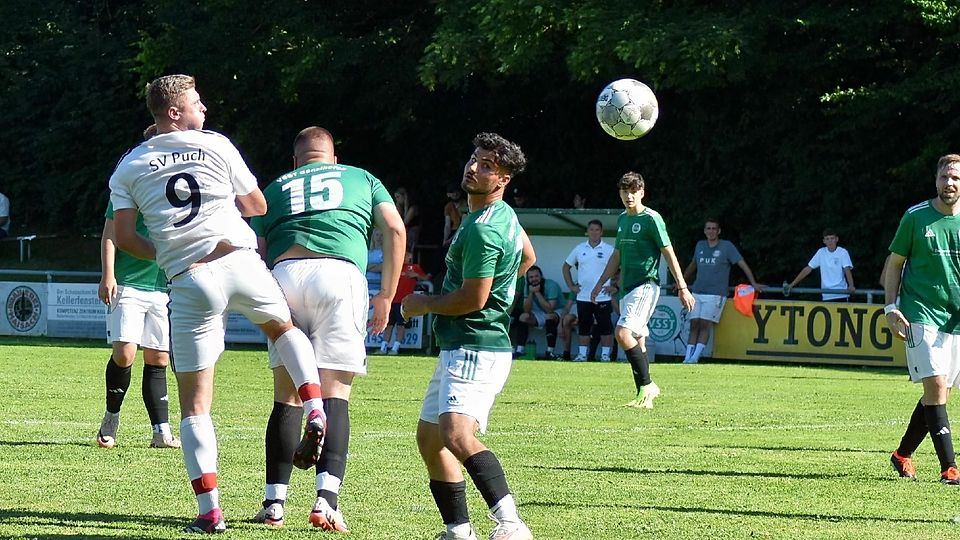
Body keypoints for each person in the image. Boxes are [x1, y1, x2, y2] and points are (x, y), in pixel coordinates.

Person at [108, 74, 327, 534]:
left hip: (189, 280)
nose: (204, 109)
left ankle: (210, 511)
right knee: (284, 329)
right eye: (196, 102)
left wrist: (168, 255)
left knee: (194, 407)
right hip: (239, 259)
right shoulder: (217, 145)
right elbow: (258, 205)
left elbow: (125, 236)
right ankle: (314, 404)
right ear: (173, 112)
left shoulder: (129, 166)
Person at [249, 126, 405, 531]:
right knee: (336, 392)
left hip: (283, 275)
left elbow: (259, 251)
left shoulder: (275, 187)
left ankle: (273, 504)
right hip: (339, 274)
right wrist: (386, 294)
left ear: (295, 161)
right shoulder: (360, 177)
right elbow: (395, 229)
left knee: (287, 395)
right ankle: (326, 501)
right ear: (332, 159)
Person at [401, 132, 536, 540]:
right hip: (463, 344)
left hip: (475, 343)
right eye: (474, 159)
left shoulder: (482, 230)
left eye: (487, 165)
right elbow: (527, 256)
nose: (474, 168)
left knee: (457, 434)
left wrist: (422, 304)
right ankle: (458, 530)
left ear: (503, 179)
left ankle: (512, 525)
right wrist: (503, 294)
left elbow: (473, 299)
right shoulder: (497, 216)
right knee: (430, 438)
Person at [591, 172, 695, 409]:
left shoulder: (651, 219)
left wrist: (682, 287)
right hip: (627, 288)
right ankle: (644, 395)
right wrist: (600, 283)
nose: (629, 196)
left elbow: (669, 253)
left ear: (642, 193)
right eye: (624, 191)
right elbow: (616, 256)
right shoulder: (622, 220)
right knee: (638, 340)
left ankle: (648, 385)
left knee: (622, 333)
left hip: (646, 285)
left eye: (633, 191)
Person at [886, 154, 960, 485]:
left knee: (937, 392)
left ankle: (902, 455)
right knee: (937, 383)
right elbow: (895, 262)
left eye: (956, 178)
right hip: (921, 312)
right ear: (935, 180)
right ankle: (950, 468)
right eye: (945, 177)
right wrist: (890, 308)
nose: (950, 183)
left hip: (955, 318)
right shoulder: (916, 217)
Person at [96, 169, 180, 449]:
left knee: (158, 358)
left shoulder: (177, 188)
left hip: (161, 285)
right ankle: (111, 417)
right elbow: (110, 234)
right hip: (128, 283)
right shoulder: (129, 183)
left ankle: (161, 432)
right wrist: (108, 274)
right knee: (125, 353)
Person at [680, 219, 763, 364]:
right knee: (694, 324)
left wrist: (753, 283)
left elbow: (741, 264)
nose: (711, 231)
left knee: (705, 324)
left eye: (714, 229)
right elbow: (693, 265)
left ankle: (695, 357)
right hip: (698, 291)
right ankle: (687, 357)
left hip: (716, 293)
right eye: (708, 228)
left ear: (719, 231)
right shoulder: (700, 245)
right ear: (705, 231)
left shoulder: (727, 247)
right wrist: (681, 282)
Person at [562, 219, 615, 362]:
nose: (594, 232)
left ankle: (605, 355)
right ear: (587, 231)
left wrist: (615, 287)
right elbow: (566, 267)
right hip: (583, 296)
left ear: (602, 232)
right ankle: (582, 355)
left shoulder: (609, 249)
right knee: (584, 327)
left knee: (606, 327)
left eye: (597, 230)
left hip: (603, 296)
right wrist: (571, 286)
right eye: (591, 229)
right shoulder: (579, 248)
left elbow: (620, 270)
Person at [509, 265, 563, 360]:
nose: (534, 279)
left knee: (549, 316)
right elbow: (526, 309)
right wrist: (530, 293)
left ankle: (550, 352)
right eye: (531, 277)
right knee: (523, 317)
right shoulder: (528, 286)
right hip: (540, 312)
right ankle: (520, 350)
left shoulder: (551, 285)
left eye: (536, 276)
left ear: (541, 276)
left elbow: (550, 309)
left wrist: (537, 293)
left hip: (558, 311)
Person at [785, 229, 855, 301]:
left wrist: (851, 285)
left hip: (841, 294)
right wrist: (792, 284)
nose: (830, 241)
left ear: (836, 239)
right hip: (826, 295)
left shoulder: (843, 252)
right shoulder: (821, 252)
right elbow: (808, 268)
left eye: (832, 238)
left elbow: (847, 269)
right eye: (827, 239)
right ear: (824, 241)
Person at [381, 252, 429, 355]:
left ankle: (395, 348)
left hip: (404, 302)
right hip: (392, 301)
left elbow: (426, 278)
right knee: (389, 325)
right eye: (407, 256)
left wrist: (416, 275)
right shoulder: (395, 267)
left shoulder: (414, 267)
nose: (409, 258)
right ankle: (383, 348)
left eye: (410, 256)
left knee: (400, 325)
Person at [394, 186, 422, 250]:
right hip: (405, 232)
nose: (397, 200)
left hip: (412, 233)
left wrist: (406, 206)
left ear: (405, 197)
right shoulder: (400, 208)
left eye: (398, 197)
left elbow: (405, 222)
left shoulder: (413, 208)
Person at [443, 184, 468, 248]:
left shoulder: (465, 204)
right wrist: (445, 239)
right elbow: (447, 225)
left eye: (456, 192)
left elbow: (463, 225)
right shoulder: (448, 206)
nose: (455, 194)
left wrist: (451, 240)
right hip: (453, 231)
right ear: (448, 195)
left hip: (464, 232)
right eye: (452, 192)